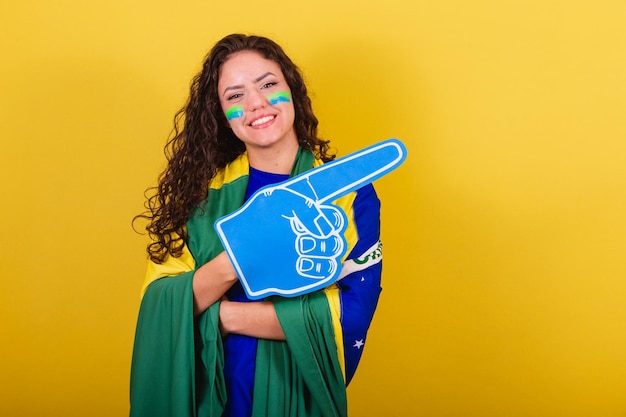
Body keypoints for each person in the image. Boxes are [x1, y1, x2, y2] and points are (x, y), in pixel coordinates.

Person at [130, 33, 383, 417]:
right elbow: (160, 300)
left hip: (295, 398)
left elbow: (349, 315)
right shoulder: (200, 198)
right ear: (221, 114)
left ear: (292, 90)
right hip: (207, 401)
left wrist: (222, 316)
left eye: (268, 85)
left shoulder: (350, 194)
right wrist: (242, 253)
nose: (256, 103)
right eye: (235, 96)